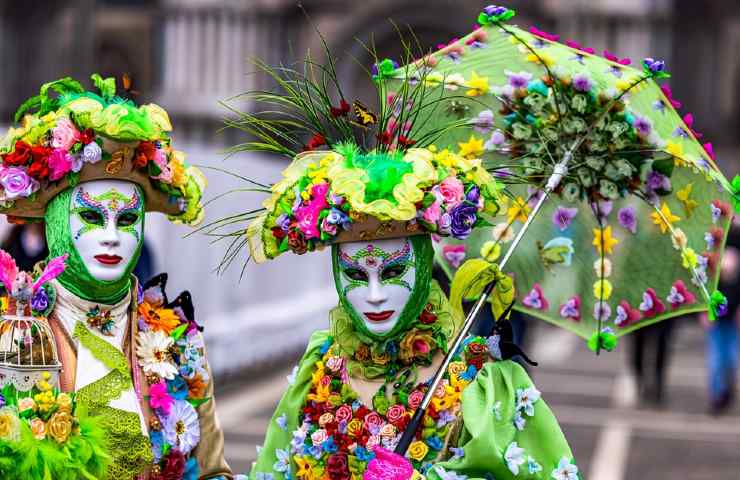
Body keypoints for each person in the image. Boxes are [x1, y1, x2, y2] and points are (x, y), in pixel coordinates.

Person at [217, 47, 577, 478]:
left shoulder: (480, 382)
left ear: (424, 267)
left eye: (392, 271)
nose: (374, 295)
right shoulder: (320, 369)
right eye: (354, 274)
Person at [0, 74, 235, 479]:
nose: (111, 238)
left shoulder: (178, 342)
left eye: (127, 220)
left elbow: (212, 471)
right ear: (56, 222)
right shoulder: (10, 331)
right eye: (91, 217)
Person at [703, 220, 740, 414]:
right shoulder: (714, 239)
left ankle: (726, 389)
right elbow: (704, 276)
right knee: (717, 356)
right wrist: (704, 310)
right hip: (717, 309)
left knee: (731, 356)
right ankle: (717, 394)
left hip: (734, 310)